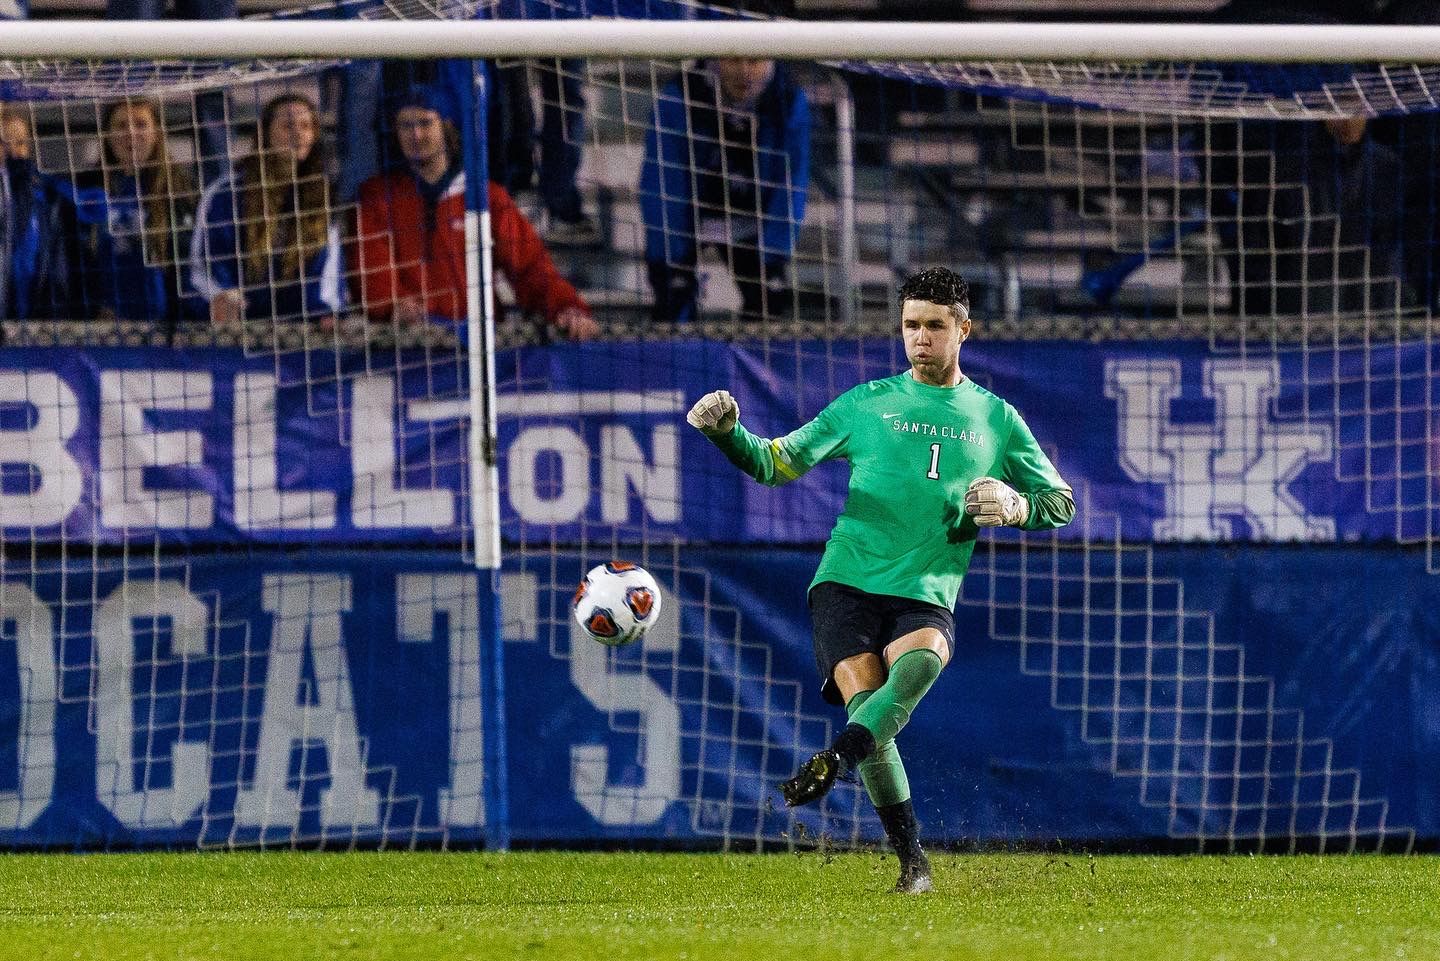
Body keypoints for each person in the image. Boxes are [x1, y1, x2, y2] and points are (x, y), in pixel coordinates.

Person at [686, 267, 1075, 893]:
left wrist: (1017, 505)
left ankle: (837, 757)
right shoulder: (866, 404)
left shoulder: (996, 418)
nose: (920, 338)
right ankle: (913, 863)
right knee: (875, 711)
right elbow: (777, 463)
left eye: (934, 326)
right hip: (845, 581)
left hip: (926, 587)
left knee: (919, 666)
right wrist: (728, 434)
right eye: (910, 326)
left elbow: (1062, 503)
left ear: (964, 330)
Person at [355, 87, 598, 340]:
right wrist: (393, 305)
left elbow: (529, 266)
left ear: (446, 125)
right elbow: (371, 271)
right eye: (405, 125)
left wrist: (566, 307)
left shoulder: (485, 196)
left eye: (425, 123)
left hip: (478, 344)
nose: (415, 134)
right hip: (409, 344)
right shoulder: (376, 197)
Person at [640, 58, 810, 323]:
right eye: (733, 60)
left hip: (752, 223)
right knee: (673, 304)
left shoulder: (788, 99)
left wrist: (775, 252)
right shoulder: (680, 95)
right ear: (715, 58)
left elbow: (791, 183)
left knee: (769, 308)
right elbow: (662, 181)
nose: (744, 71)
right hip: (690, 220)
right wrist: (668, 256)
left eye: (753, 62)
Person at [191, 93, 343, 326]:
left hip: (300, 333)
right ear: (265, 133)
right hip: (238, 329)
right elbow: (207, 263)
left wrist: (325, 312)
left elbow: (327, 277)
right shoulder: (226, 193)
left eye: (306, 126)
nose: (298, 133)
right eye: (287, 125)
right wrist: (222, 296)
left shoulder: (323, 200)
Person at [64, 98, 197, 326]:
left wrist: (176, 318)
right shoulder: (83, 189)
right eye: (121, 125)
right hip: (99, 328)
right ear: (107, 134)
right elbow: (71, 260)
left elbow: (190, 264)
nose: (131, 133)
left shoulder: (184, 190)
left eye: (140, 124)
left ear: (157, 132)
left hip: (166, 330)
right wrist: (92, 311)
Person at [0, 104, 82, 321]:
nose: (13, 150)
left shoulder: (47, 197)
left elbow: (58, 263)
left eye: (20, 142)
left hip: (38, 323)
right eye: (3, 142)